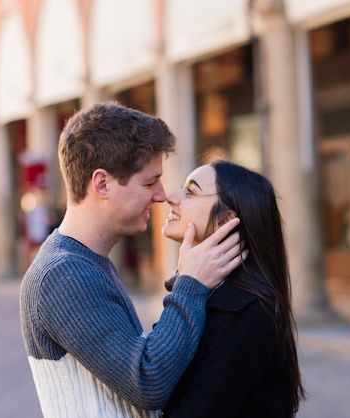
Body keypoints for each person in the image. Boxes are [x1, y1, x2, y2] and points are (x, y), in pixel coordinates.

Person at [19, 102, 245, 418]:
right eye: (150, 182)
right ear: (102, 184)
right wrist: (190, 284)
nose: (162, 195)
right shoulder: (63, 274)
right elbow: (147, 382)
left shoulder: (87, 263)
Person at [161, 160, 306, 417]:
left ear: (226, 221)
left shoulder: (246, 314)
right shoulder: (210, 295)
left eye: (190, 191)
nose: (171, 197)